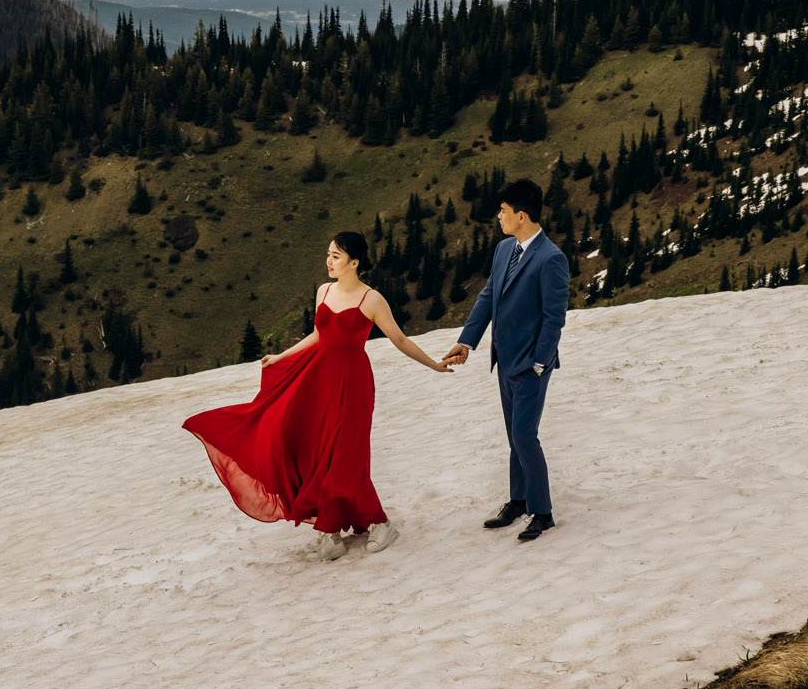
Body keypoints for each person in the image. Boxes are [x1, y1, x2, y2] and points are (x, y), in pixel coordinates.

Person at [184, 230, 454, 560]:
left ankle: (375, 523)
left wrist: (434, 365)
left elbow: (399, 340)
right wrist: (281, 357)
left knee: (346, 455)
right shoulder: (324, 290)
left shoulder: (372, 300)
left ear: (354, 263)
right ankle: (331, 525)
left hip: (353, 383)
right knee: (315, 450)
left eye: (336, 256)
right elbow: (317, 334)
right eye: (328, 254)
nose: (329, 261)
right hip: (319, 380)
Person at [442, 178, 568, 543]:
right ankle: (518, 499)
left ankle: (541, 513)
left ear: (522, 215)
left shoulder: (551, 258)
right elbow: (489, 295)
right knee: (515, 436)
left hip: (531, 364)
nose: (498, 217)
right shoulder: (503, 250)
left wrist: (540, 362)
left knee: (525, 436)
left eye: (503, 211)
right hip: (504, 360)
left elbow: (554, 317)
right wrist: (468, 341)